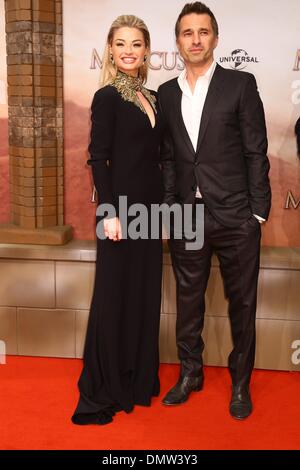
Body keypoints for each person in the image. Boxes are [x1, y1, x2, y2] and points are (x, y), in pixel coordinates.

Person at [158, 2, 271, 420]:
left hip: (237, 216)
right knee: (188, 303)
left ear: (216, 39)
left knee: (243, 305)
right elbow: (169, 158)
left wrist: (256, 212)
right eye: (187, 33)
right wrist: (170, 209)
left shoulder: (241, 84)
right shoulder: (167, 93)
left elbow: (255, 150)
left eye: (203, 32)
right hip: (188, 215)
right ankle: (191, 374)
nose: (195, 40)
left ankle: (240, 383)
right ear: (178, 41)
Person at [71, 15, 164, 425]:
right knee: (114, 296)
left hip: (150, 212)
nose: (129, 51)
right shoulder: (107, 97)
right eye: (121, 43)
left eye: (137, 44)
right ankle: (106, 384)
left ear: (146, 50)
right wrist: (108, 211)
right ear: (110, 49)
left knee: (142, 294)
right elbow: (98, 157)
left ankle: (135, 375)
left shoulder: (153, 97)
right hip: (120, 215)